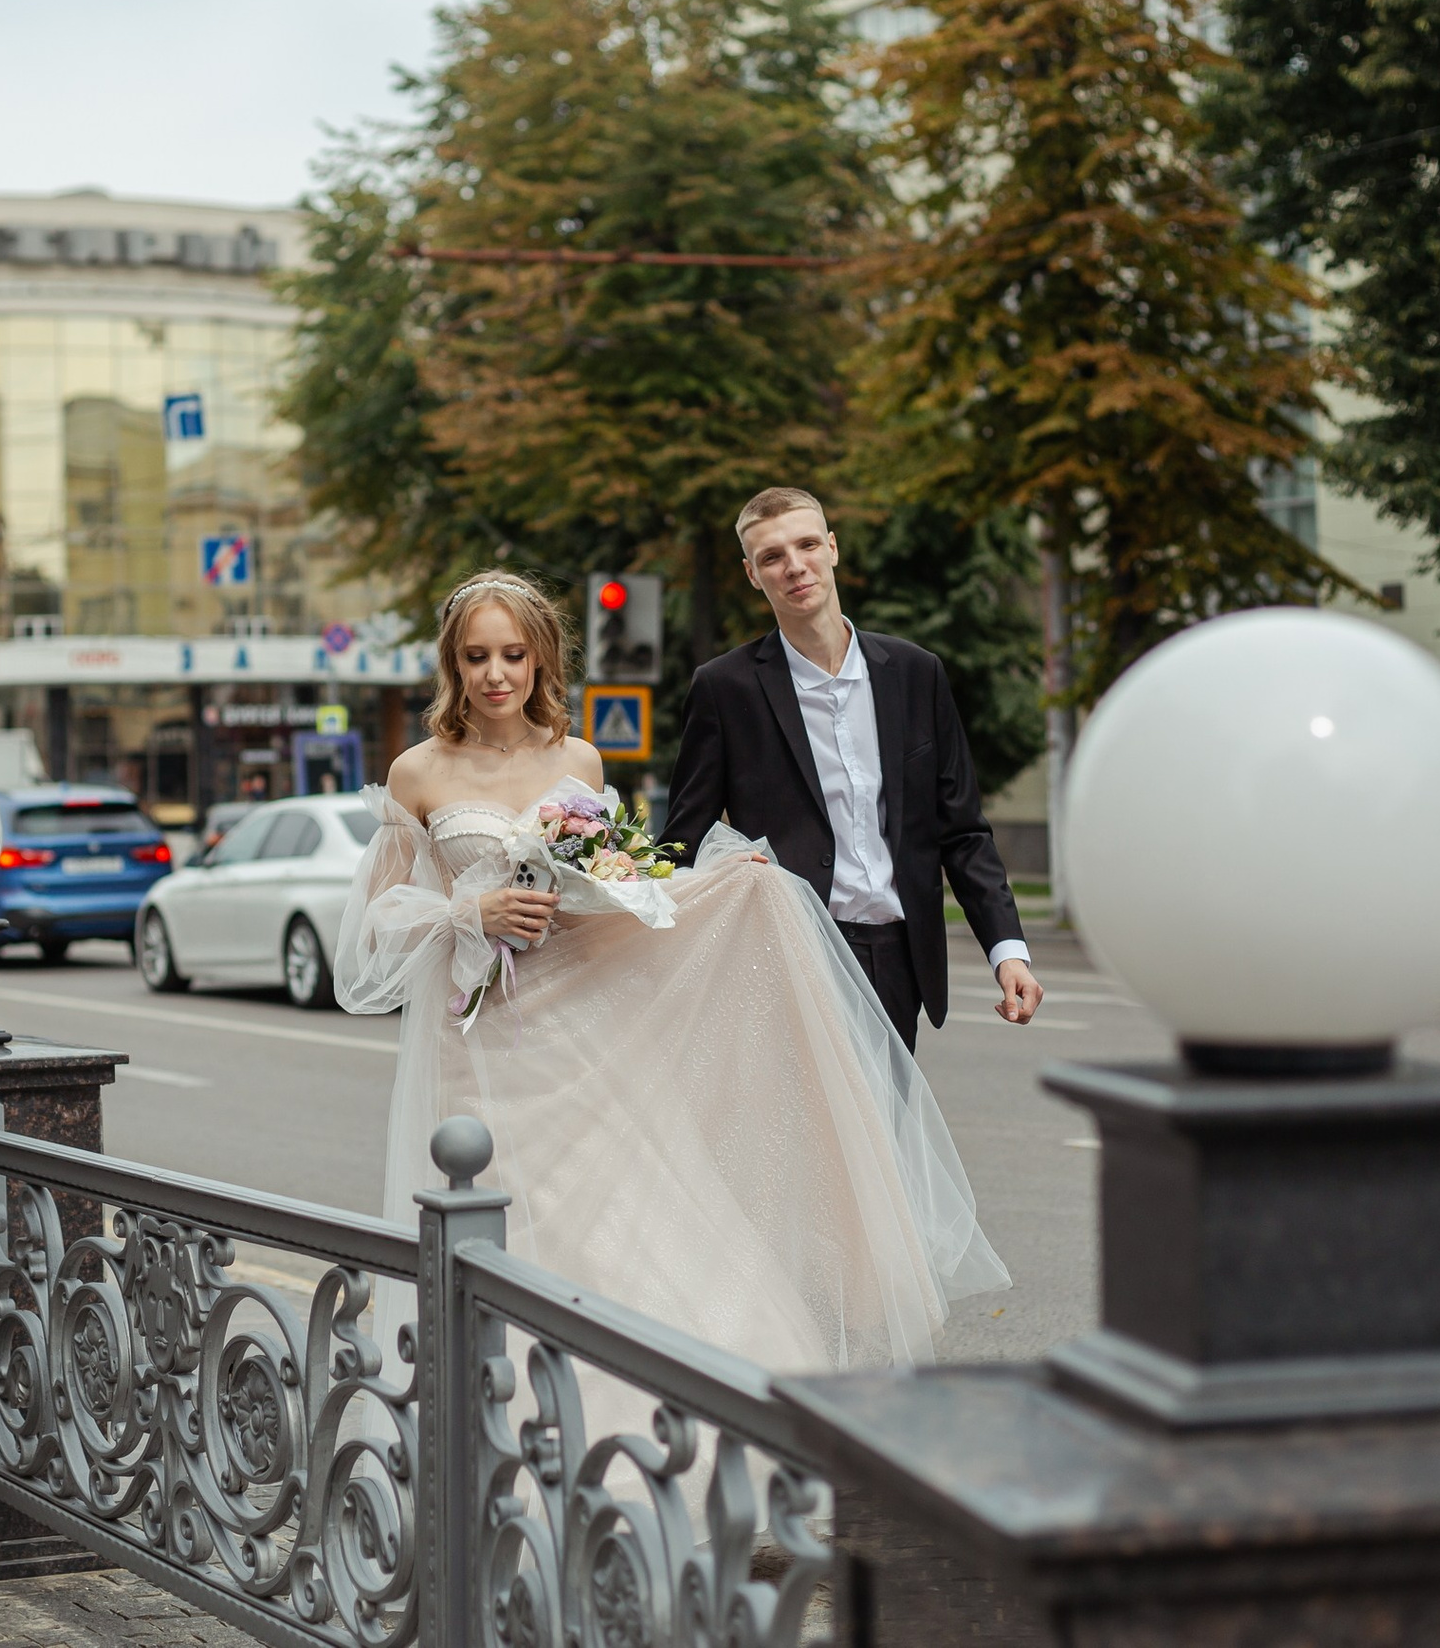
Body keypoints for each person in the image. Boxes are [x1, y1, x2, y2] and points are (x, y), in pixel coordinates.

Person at [335, 570, 1008, 1378]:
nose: (496, 675)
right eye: (476, 657)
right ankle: (497, 1408)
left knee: (623, 1217)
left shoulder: (577, 761)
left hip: (582, 1032)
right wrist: (466, 913)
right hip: (479, 1045)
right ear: (453, 664)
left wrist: (728, 884)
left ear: (542, 658)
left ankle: (655, 1402)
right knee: (501, 1213)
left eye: (513, 654)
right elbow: (375, 926)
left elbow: (615, 890)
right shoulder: (417, 772)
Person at [661, 488, 1044, 1053]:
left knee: (884, 1137)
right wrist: (724, 868)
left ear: (833, 548)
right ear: (751, 574)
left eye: (808, 544)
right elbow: (681, 845)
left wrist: (1007, 950)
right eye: (771, 557)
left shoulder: (916, 674)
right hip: (786, 958)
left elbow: (961, 831)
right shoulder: (725, 688)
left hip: (897, 961)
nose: (795, 566)